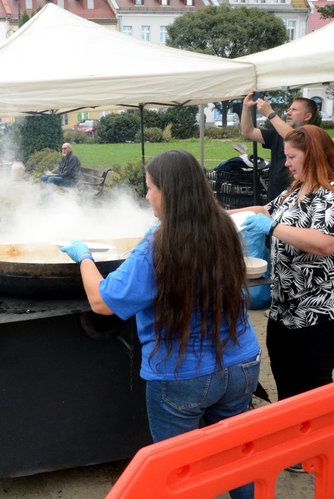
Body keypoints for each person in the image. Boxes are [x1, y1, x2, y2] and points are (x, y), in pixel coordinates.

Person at [61, 150, 260, 499]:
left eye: (150, 188)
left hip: (183, 375)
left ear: (169, 191)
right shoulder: (224, 228)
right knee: (234, 455)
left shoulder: (157, 246)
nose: (147, 195)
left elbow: (102, 302)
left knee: (179, 468)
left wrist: (84, 257)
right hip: (242, 364)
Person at [238, 125, 334, 405]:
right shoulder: (298, 187)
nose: (285, 164)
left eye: (291, 157)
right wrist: (209, 215)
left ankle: (322, 438)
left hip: (329, 303)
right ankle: (296, 431)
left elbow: (327, 243)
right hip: (290, 302)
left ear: (311, 156)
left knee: (312, 378)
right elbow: (265, 210)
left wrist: (273, 228)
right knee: (283, 366)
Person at [241, 92, 316, 200]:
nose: (288, 113)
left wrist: (270, 113)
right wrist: (246, 107)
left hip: (299, 201)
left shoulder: (312, 137)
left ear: (308, 116)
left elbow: (295, 138)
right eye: (288, 109)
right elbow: (248, 131)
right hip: (275, 199)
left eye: (294, 110)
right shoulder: (278, 134)